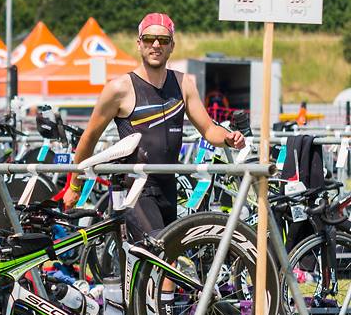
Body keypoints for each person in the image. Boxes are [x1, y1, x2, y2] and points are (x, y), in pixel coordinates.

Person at [63, 13, 246, 239]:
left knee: (165, 262)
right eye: (149, 39)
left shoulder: (183, 83)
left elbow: (208, 129)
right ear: (139, 44)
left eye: (163, 40)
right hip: (135, 188)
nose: (156, 45)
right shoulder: (119, 88)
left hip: (169, 184)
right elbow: (89, 137)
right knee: (160, 258)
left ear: (172, 47)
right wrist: (74, 185)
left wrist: (229, 137)